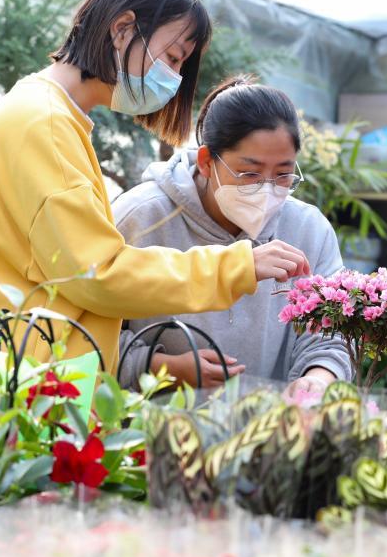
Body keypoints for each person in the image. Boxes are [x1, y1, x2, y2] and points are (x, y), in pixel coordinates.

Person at [0, 0, 308, 373]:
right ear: (122, 29)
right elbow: (99, 273)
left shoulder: (48, 115)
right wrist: (238, 265)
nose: (172, 76)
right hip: (15, 380)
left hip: (11, 368)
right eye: (172, 57)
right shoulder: (43, 124)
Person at [113, 77, 350, 396]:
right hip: (149, 434)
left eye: (283, 174)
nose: (266, 189)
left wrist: (317, 378)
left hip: (268, 435)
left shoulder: (308, 229)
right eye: (249, 173)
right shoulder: (141, 218)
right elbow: (84, 330)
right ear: (207, 162)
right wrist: (156, 367)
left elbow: (330, 334)